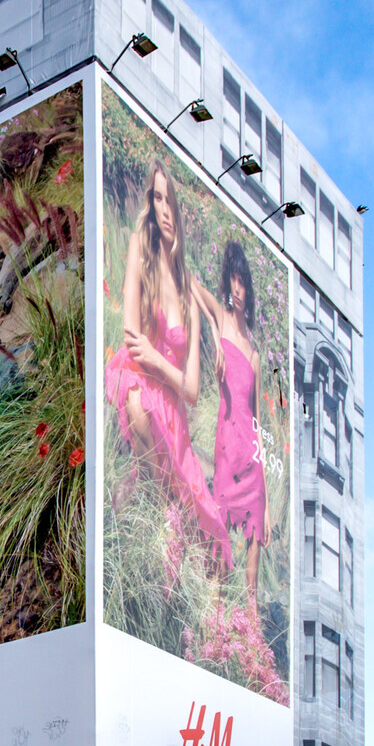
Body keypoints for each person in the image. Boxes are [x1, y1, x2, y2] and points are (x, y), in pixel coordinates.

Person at [104, 159, 230, 567]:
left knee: (209, 534)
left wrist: (210, 331)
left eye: (170, 200)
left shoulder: (188, 286)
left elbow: (191, 391)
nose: (163, 209)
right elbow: (130, 335)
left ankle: (153, 545)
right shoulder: (142, 247)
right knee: (140, 408)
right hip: (140, 381)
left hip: (173, 407)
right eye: (157, 198)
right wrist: (157, 364)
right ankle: (138, 547)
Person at [195, 238, 268, 600]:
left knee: (251, 590)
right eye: (233, 280)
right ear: (227, 281)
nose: (237, 289)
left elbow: (258, 425)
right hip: (226, 455)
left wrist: (267, 504)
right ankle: (215, 638)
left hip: (252, 465)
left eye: (243, 283)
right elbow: (190, 283)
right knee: (218, 566)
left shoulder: (254, 354)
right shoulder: (222, 320)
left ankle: (250, 646)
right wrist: (211, 325)